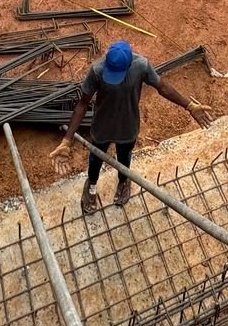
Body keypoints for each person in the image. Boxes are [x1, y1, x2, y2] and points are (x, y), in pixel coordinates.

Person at [51, 39, 212, 213]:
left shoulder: (141, 66)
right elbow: (82, 104)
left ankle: (123, 180)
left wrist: (190, 106)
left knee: (124, 158)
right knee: (95, 159)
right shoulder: (97, 70)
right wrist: (67, 141)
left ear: (128, 66)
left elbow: (162, 87)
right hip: (101, 127)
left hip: (128, 126)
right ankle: (91, 185)